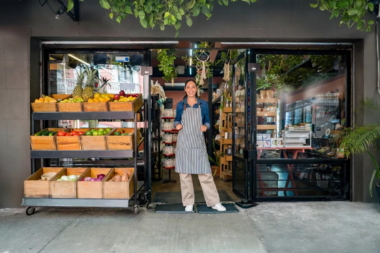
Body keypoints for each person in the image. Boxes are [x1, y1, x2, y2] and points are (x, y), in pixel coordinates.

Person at [174, 79, 226, 212]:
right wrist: (177, 125)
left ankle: (214, 202)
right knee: (185, 174)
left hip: (198, 142)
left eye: (193, 87)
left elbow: (208, 121)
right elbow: (177, 120)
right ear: (185, 90)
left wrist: (205, 127)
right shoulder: (181, 105)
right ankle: (188, 202)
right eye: (188, 87)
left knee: (205, 173)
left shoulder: (203, 104)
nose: (191, 89)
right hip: (184, 142)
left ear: (196, 89)